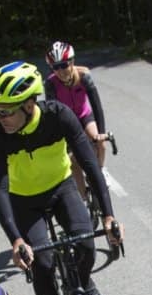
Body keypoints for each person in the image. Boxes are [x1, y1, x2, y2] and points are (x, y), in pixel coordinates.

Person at [0, 61, 124, 295]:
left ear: (30, 102)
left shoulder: (59, 116)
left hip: (61, 188)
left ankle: (84, 284)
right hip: (24, 201)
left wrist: (109, 217)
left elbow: (90, 166)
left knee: (86, 245)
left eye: (6, 110)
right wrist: (16, 239)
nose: (0, 118)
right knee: (43, 265)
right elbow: (0, 189)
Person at [43, 41, 109, 201]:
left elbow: (96, 106)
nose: (61, 70)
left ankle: (100, 170)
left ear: (72, 62)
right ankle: (84, 199)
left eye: (64, 65)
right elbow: (52, 113)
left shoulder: (84, 75)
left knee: (101, 142)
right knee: (73, 161)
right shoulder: (51, 83)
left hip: (84, 116)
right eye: (55, 67)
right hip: (66, 122)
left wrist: (101, 133)